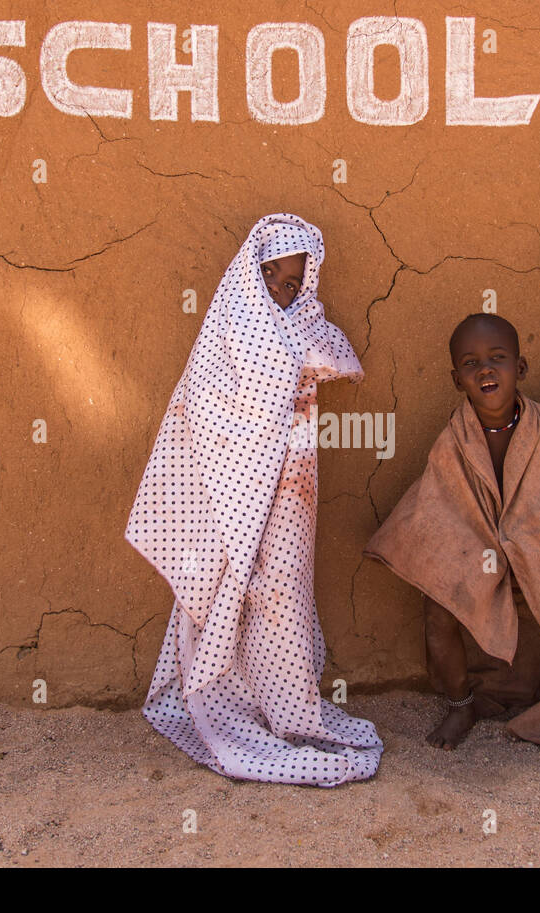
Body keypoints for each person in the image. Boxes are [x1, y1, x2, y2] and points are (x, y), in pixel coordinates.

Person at [125, 212, 383, 786]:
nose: (281, 290)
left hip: (291, 493)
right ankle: (225, 706)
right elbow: (203, 419)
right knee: (229, 594)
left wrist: (293, 346)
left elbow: (340, 359)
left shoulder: (300, 324)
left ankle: (288, 710)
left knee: (283, 593)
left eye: (293, 283)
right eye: (272, 276)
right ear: (251, 270)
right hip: (231, 500)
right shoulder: (227, 329)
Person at [365, 313, 540, 750]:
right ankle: (461, 704)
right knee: (438, 605)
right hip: (476, 551)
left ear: (522, 367)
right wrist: (478, 550)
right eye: (471, 363)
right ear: (457, 379)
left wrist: (525, 542)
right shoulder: (454, 441)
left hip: (539, 550)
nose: (485, 370)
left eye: (497, 358)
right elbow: (439, 506)